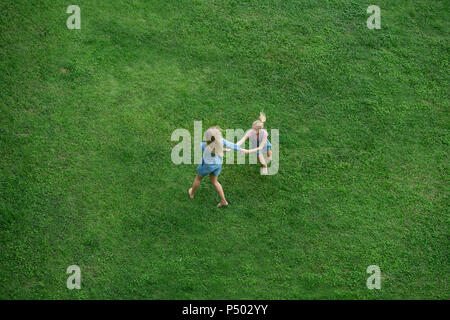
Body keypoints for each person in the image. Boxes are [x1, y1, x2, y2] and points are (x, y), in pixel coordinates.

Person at [188, 126, 257, 207]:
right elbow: (231, 145)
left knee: (198, 178)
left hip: (206, 166)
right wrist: (241, 150)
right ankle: (223, 201)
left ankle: (192, 193)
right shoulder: (221, 141)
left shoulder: (204, 145)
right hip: (217, 165)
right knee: (215, 182)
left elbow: (204, 147)